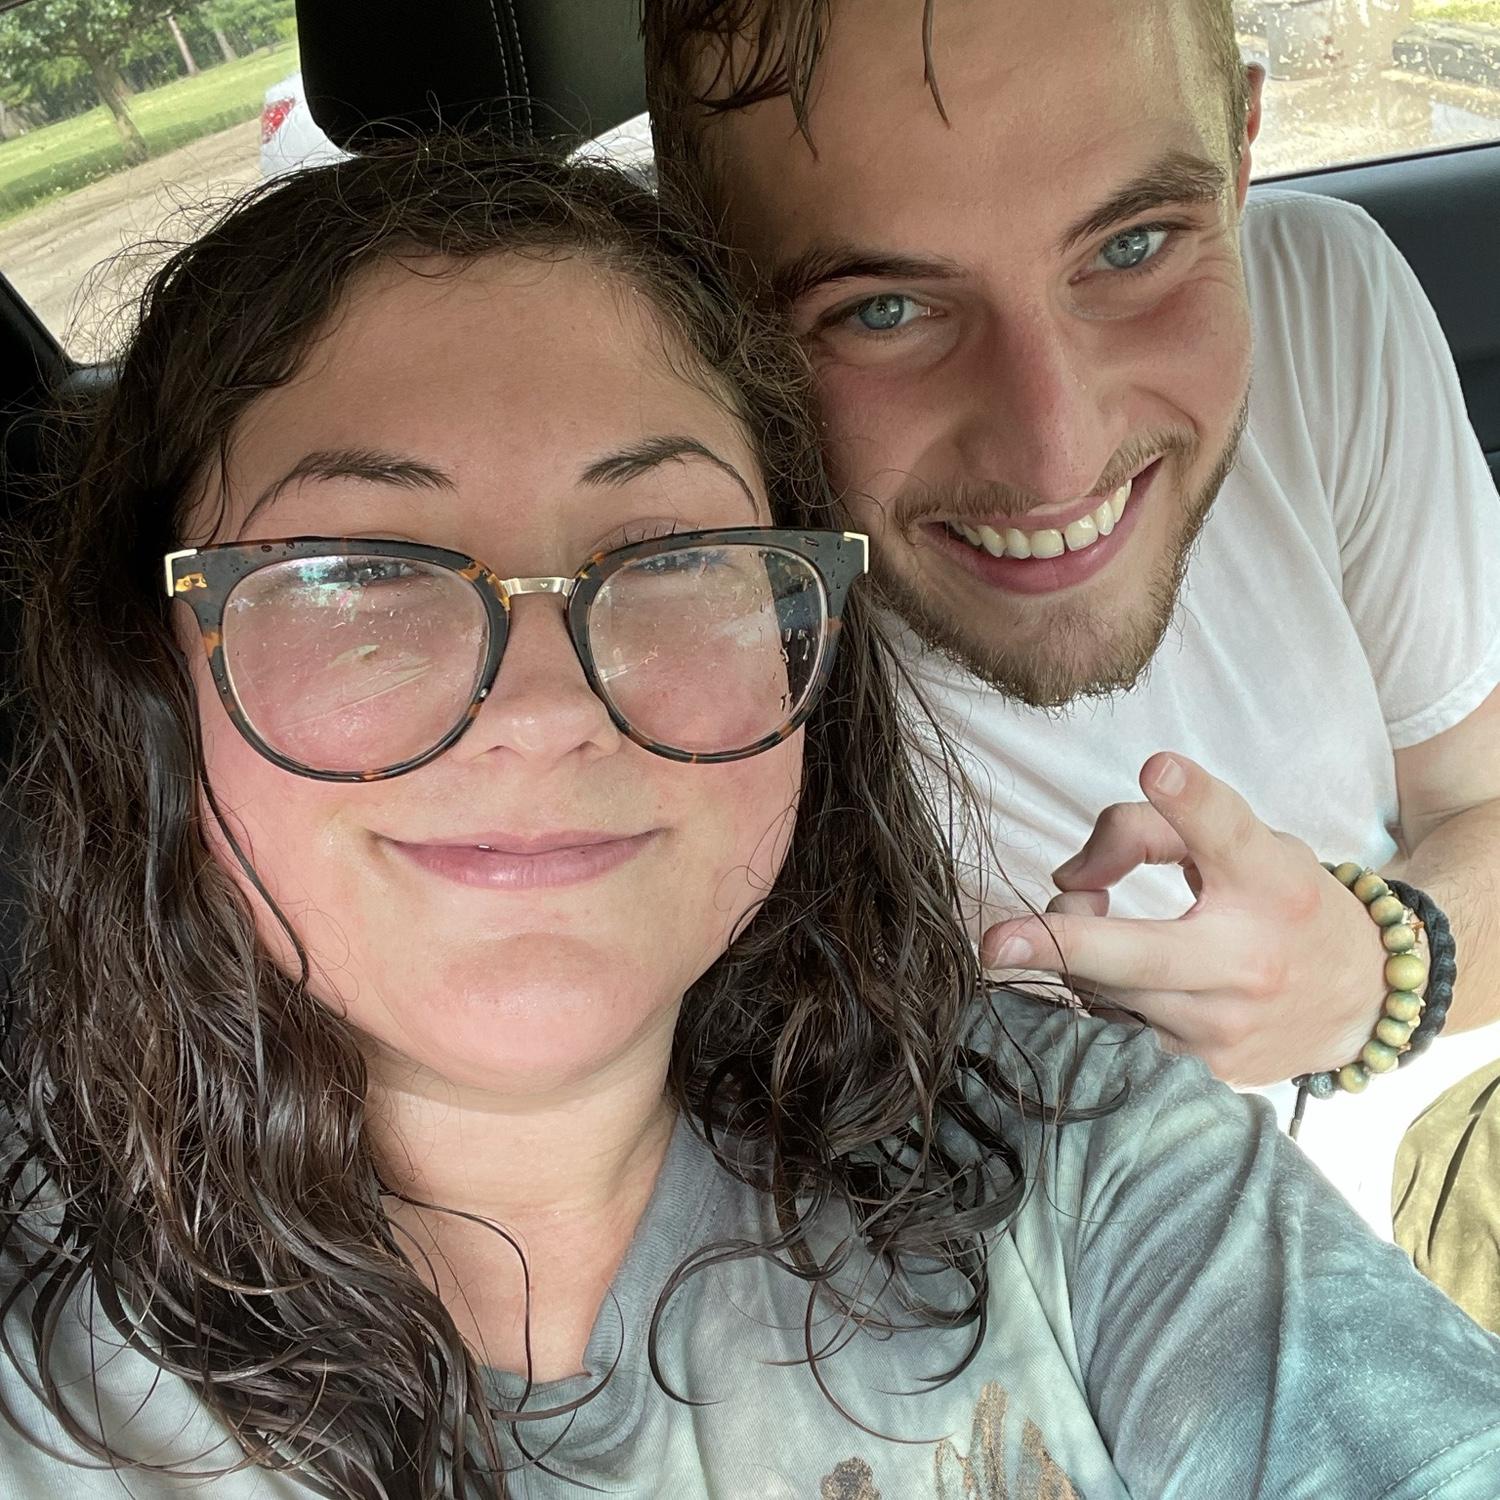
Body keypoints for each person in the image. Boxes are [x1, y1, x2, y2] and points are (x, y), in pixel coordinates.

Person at [4, 134, 1499, 1500]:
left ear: (804, 641)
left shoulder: (1078, 1157)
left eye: (665, 554)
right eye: (359, 572)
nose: (543, 707)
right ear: (152, 668)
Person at [641, 0, 1500, 1236]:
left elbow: (1483, 806)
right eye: (883, 309)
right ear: (711, 284)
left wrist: (1376, 974)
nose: (1058, 455)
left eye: (1135, 245)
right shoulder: (667, 607)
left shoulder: (1323, 306)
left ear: (1243, 153)